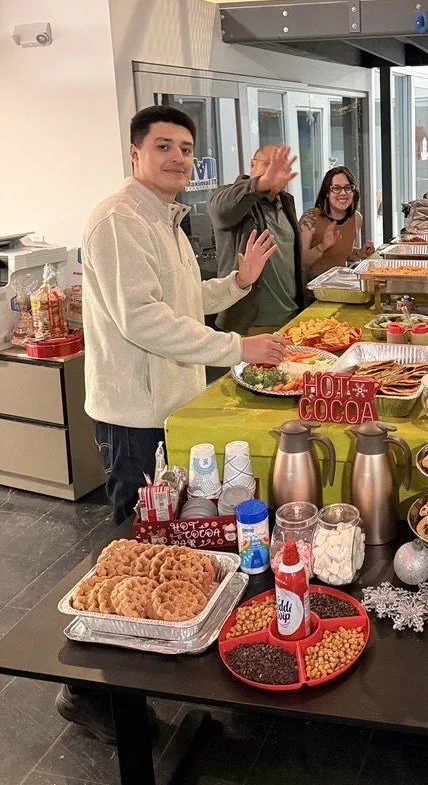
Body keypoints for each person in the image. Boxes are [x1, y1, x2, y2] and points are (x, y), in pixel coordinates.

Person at [68, 105, 285, 741]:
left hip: (171, 410)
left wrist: (236, 285)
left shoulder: (164, 218)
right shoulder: (117, 220)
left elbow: (182, 304)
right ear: (135, 152)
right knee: (130, 551)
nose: (178, 159)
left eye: (187, 149)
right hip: (134, 415)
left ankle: (158, 661)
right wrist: (237, 349)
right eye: (164, 146)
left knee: (167, 543)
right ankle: (90, 692)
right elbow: (143, 320)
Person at [209, 144, 306, 334]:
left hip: (291, 319)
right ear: (252, 165)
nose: (275, 173)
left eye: (281, 168)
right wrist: (261, 183)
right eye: (269, 165)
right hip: (250, 326)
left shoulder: (286, 202)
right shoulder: (234, 198)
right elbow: (220, 210)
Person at [299, 166, 375, 280]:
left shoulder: (356, 218)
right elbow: (301, 262)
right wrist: (322, 247)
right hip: (312, 292)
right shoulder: (310, 219)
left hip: (339, 286)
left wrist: (360, 253)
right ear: (327, 193)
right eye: (336, 188)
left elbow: (345, 254)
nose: (343, 193)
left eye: (348, 188)